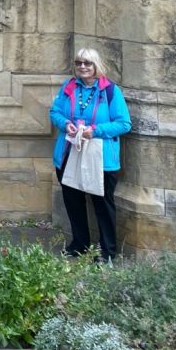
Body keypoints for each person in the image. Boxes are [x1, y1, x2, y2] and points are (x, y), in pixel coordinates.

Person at [49, 47, 131, 262]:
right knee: (73, 201)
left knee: (102, 205)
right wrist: (66, 124)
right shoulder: (69, 87)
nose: (82, 67)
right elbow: (55, 112)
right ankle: (80, 243)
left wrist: (95, 131)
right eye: (79, 63)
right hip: (69, 153)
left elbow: (124, 123)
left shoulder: (111, 91)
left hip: (100, 157)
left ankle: (107, 251)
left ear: (96, 66)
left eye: (87, 63)